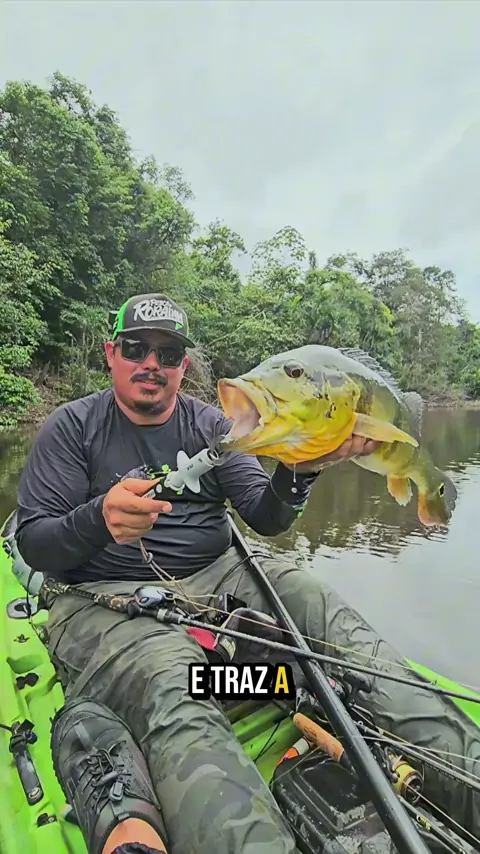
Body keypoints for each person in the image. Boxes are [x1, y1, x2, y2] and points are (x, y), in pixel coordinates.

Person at [14, 293, 378, 854]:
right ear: (111, 353)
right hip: (104, 597)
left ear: (183, 366)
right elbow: (34, 543)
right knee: (181, 679)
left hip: (219, 576)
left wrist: (298, 471)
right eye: (135, 348)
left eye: (167, 354)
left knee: (321, 608)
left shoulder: (214, 424)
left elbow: (264, 516)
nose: (151, 364)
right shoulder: (71, 427)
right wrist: (98, 519)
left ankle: (435, 753)